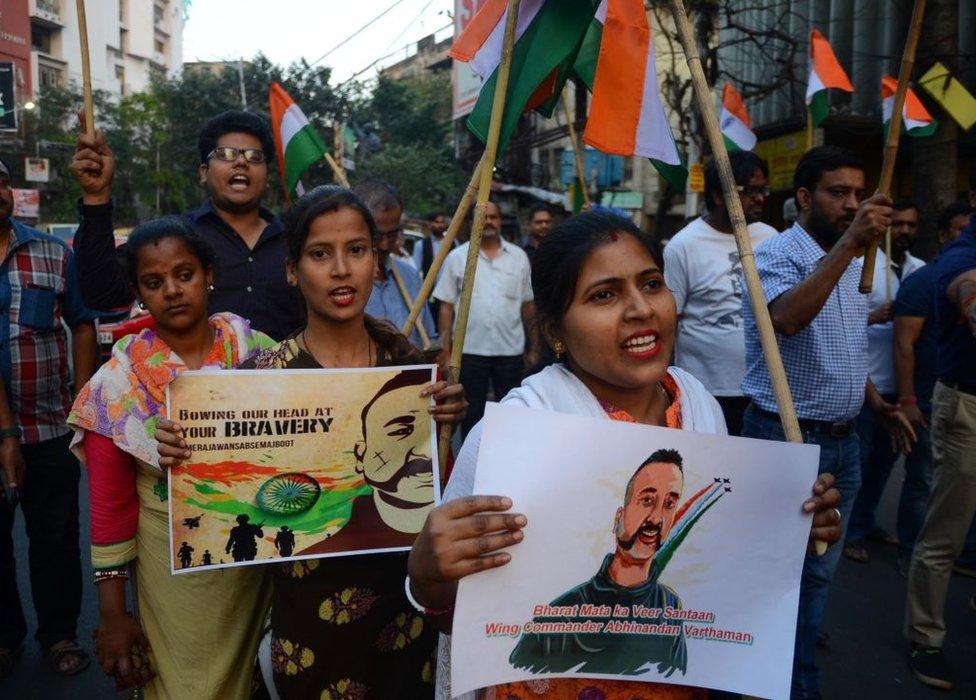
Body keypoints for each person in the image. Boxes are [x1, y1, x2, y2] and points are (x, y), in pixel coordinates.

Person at [406, 211, 843, 700]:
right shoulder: (516, 434)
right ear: (554, 330)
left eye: (652, 284)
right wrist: (426, 572)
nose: (640, 309)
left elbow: (723, 571)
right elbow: (461, 615)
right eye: (604, 294)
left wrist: (786, 534)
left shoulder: (698, 404)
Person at [156, 186, 466, 699]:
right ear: (292, 270)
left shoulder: (414, 375)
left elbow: (443, 504)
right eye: (320, 254)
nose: (342, 269)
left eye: (357, 250)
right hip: (307, 631)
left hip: (406, 624)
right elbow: (222, 506)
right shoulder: (254, 385)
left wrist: (450, 422)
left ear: (376, 259)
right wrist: (184, 451)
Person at [66, 216, 276, 697]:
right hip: (174, 575)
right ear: (139, 292)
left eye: (185, 274)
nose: (173, 291)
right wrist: (114, 613)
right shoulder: (115, 386)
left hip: (255, 564)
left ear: (209, 275)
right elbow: (111, 507)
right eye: (154, 282)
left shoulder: (257, 352)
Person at [739, 146, 914, 700]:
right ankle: (770, 683)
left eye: (858, 194)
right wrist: (848, 243)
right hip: (785, 438)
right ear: (804, 198)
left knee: (817, 578)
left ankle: (796, 679)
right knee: (772, 582)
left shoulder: (856, 259)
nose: (852, 204)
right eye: (838, 193)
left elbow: (845, 347)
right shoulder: (776, 252)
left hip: (845, 443)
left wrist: (876, 403)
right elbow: (786, 319)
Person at [70, 110, 301, 340]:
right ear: (204, 172)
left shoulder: (297, 242)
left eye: (254, 156)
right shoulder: (173, 238)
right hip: (193, 377)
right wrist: (96, 197)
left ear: (267, 177)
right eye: (226, 153)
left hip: (291, 377)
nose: (241, 162)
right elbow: (102, 293)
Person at [0, 156, 98, 678]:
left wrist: (81, 399)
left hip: (50, 427)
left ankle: (60, 634)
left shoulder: (51, 253)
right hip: (1, 433)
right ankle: (4, 638)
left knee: (56, 540)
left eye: (1, 179)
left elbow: (83, 324)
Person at [508, 449, 690, 677]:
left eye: (669, 504)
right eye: (646, 500)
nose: (655, 518)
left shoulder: (669, 607)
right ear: (618, 518)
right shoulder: (558, 616)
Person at [904, 170, 976, 691]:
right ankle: (924, 635)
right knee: (944, 534)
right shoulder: (961, 256)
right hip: (966, 410)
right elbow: (966, 290)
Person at [664, 150, 778, 436]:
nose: (760, 198)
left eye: (762, 190)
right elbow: (669, 320)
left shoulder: (771, 238)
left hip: (765, 387)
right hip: (706, 389)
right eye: (749, 191)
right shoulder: (684, 246)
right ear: (717, 195)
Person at [891, 201, 976, 575]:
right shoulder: (934, 276)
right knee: (922, 479)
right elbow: (904, 343)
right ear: (945, 236)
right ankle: (907, 548)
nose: (905, 230)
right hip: (938, 398)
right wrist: (907, 399)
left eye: (912, 224)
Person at [844, 199, 926, 563]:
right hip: (869, 382)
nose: (905, 231)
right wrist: (874, 316)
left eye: (911, 225)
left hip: (901, 386)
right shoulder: (863, 268)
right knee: (858, 463)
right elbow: (838, 325)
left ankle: (867, 521)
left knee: (884, 462)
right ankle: (851, 532)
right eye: (899, 226)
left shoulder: (920, 272)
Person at [302, 369, 437, 555]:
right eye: (399, 432)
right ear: (361, 454)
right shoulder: (321, 549)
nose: (425, 454)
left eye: (429, 432)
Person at [434, 200, 539, 436]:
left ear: (500, 221)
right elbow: (446, 307)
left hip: (510, 352)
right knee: (471, 416)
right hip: (470, 352)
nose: (489, 222)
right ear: (473, 223)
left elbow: (528, 306)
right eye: (484, 217)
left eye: (494, 217)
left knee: (511, 415)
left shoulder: (519, 257)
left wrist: (534, 347)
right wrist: (447, 350)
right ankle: (472, 466)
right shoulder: (457, 258)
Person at [354, 180, 437, 349]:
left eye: (392, 235)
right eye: (377, 236)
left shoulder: (411, 276)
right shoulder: (341, 282)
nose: (385, 245)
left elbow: (428, 338)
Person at [413, 211, 455, 321]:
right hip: (429, 295)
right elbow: (415, 271)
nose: (440, 225)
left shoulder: (453, 243)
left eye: (442, 222)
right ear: (430, 224)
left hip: (449, 293)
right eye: (437, 222)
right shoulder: (421, 245)